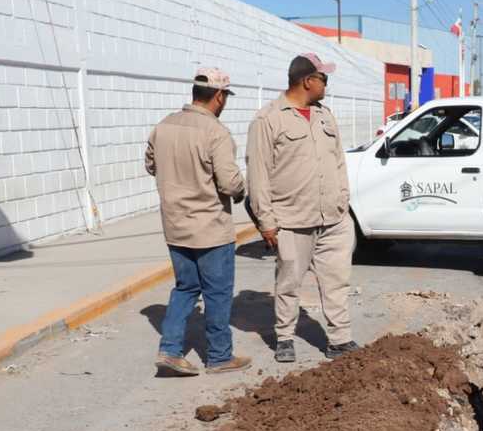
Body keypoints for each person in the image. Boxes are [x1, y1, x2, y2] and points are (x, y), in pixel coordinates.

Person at [248, 53, 359, 363]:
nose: (326, 85)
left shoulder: (325, 116)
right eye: (324, 78)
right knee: (288, 283)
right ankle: (284, 337)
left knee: (337, 281)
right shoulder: (268, 119)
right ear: (307, 81)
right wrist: (266, 221)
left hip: (333, 218)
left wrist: (342, 199)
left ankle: (339, 339)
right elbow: (258, 174)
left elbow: (338, 161)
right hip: (292, 219)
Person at [145, 67, 249, 376]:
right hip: (210, 229)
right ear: (219, 96)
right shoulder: (215, 132)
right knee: (217, 293)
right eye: (225, 96)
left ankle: (170, 350)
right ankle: (219, 356)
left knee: (185, 288)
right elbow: (229, 182)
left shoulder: (163, 126)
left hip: (175, 226)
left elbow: (150, 165)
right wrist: (241, 191)